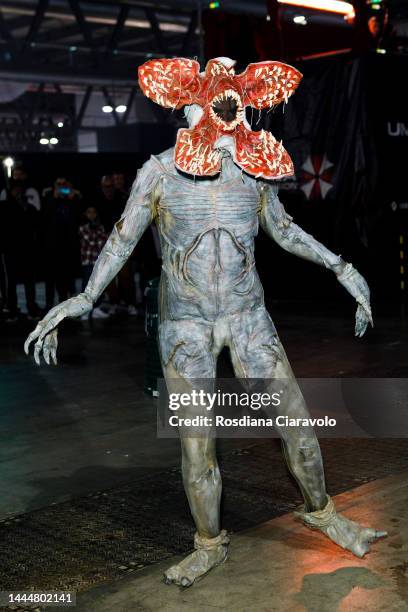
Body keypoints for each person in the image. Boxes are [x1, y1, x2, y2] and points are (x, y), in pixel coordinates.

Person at [25, 57, 386, 587]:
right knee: (198, 452)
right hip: (186, 325)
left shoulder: (253, 170)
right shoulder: (160, 171)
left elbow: (283, 231)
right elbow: (122, 239)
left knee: (299, 428)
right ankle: (209, 543)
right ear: (190, 105)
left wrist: (343, 268)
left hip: (247, 316)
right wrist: (84, 298)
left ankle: (323, 511)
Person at [1, 178, 40, 320]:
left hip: (27, 250)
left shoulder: (28, 207)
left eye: (19, 189)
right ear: (10, 191)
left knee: (29, 281)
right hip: (11, 250)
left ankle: (31, 309)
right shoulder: (4, 206)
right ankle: (12, 310)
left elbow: (36, 222)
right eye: (14, 189)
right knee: (11, 282)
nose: (17, 192)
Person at [42, 178, 82, 309]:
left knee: (65, 276)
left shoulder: (73, 199)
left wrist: (72, 199)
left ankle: (63, 303)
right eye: (58, 184)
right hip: (51, 245)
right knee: (50, 278)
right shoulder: (48, 198)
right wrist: (54, 197)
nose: (61, 187)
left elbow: (79, 217)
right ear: (54, 186)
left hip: (67, 246)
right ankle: (49, 304)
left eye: (64, 184)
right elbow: (45, 216)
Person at [78, 206, 109, 320]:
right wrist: (98, 235)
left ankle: (96, 309)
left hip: (98, 262)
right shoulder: (82, 227)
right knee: (87, 286)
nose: (91, 215)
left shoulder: (100, 226)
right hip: (87, 261)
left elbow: (104, 242)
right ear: (85, 214)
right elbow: (91, 240)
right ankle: (84, 311)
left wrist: (98, 235)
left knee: (99, 286)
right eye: (89, 212)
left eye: (93, 212)